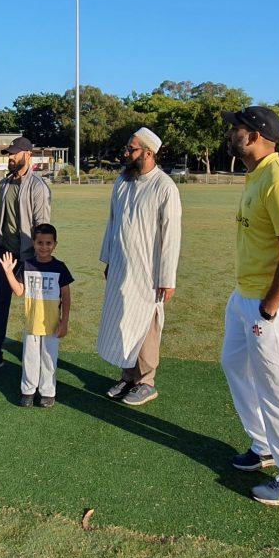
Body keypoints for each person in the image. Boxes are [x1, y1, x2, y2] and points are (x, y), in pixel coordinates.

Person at [220, 106, 279, 507]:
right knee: (234, 364)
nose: (231, 133)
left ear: (255, 135)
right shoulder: (255, 175)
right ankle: (263, 445)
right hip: (245, 295)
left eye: (236, 128)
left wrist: (270, 307)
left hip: (273, 302)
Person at [96, 127, 182, 406]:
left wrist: (167, 278)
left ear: (148, 152)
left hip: (149, 271)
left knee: (147, 324)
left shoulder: (164, 187)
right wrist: (108, 259)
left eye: (131, 149)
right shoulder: (122, 182)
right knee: (122, 320)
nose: (126, 153)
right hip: (121, 266)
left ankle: (147, 381)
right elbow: (111, 223)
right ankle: (128, 376)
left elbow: (171, 237)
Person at [0, 136, 51, 372]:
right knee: (0, 304)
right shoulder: (4, 184)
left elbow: (43, 226)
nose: (10, 158)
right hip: (4, 254)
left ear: (28, 155)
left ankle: (38, 356)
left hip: (29, 256)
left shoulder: (38, 187)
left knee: (34, 307)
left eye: (14, 154)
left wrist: (40, 260)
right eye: (9, 154)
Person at [0, 223, 73, 407]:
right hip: (32, 323)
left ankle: (48, 392)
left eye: (48, 243)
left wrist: (64, 322)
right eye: (40, 242)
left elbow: (66, 295)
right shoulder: (27, 265)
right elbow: (19, 291)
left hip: (52, 325)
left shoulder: (60, 267)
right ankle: (28, 391)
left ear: (55, 244)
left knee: (49, 359)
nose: (44, 247)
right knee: (30, 359)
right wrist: (8, 272)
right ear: (34, 243)